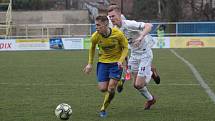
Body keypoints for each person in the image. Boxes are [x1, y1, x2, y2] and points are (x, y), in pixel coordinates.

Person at [108, 5, 157, 110]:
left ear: (119, 15)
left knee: (139, 84)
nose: (111, 19)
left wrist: (141, 36)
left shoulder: (129, 24)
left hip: (145, 54)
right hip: (134, 55)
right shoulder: (115, 30)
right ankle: (151, 99)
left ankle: (151, 72)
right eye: (110, 17)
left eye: (113, 16)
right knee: (136, 85)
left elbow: (149, 26)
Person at [83, 15, 128, 117]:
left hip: (116, 64)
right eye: (96, 25)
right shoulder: (95, 36)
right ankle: (121, 79)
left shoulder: (118, 34)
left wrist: (121, 61)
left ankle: (103, 109)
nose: (96, 27)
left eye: (98, 25)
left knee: (111, 88)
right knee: (103, 88)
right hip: (103, 63)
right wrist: (90, 63)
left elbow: (125, 47)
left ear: (106, 24)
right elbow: (92, 48)